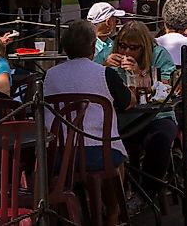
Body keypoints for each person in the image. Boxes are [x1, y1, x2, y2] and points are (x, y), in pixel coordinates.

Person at [43, 20, 130, 224]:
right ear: (93, 47)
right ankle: (112, 215)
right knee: (116, 161)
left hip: (59, 154)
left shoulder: (48, 75)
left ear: (65, 48)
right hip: (98, 153)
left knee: (109, 156)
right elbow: (126, 102)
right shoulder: (104, 73)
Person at [102, 20, 178, 216]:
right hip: (120, 118)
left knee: (159, 139)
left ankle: (145, 195)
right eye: (123, 45)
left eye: (133, 48)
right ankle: (111, 202)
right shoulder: (108, 52)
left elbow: (168, 87)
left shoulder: (159, 54)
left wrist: (139, 74)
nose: (126, 51)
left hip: (156, 115)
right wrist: (102, 64)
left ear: (144, 47)